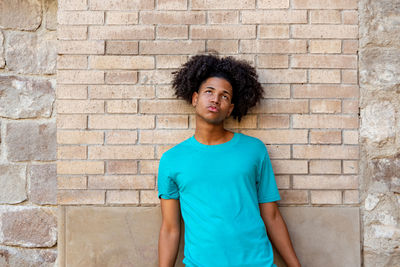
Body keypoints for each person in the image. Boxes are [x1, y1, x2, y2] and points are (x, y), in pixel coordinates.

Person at [157, 53, 300, 267]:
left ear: (230, 108)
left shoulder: (254, 150)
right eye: (209, 92)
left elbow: (272, 216)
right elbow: (170, 228)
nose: (215, 99)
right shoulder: (172, 160)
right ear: (195, 98)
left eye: (225, 96)